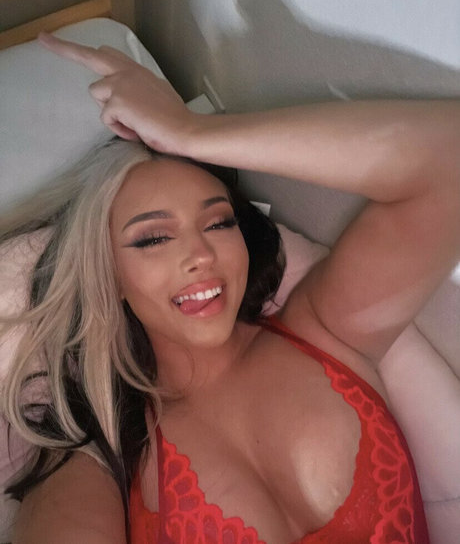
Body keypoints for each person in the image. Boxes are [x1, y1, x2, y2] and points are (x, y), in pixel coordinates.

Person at [2, 31, 459, 544]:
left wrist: (189, 131)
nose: (201, 254)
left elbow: (449, 156)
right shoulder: (96, 459)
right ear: (108, 278)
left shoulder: (327, 331)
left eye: (219, 223)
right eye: (153, 238)